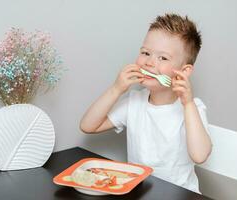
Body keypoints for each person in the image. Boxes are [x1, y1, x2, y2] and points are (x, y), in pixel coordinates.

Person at [80, 13, 212, 193]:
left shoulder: (192, 108)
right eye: (145, 53)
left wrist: (188, 104)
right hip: (139, 191)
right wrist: (116, 89)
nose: (149, 62)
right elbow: (88, 126)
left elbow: (200, 155)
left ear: (184, 71)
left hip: (180, 194)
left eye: (163, 58)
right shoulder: (134, 102)